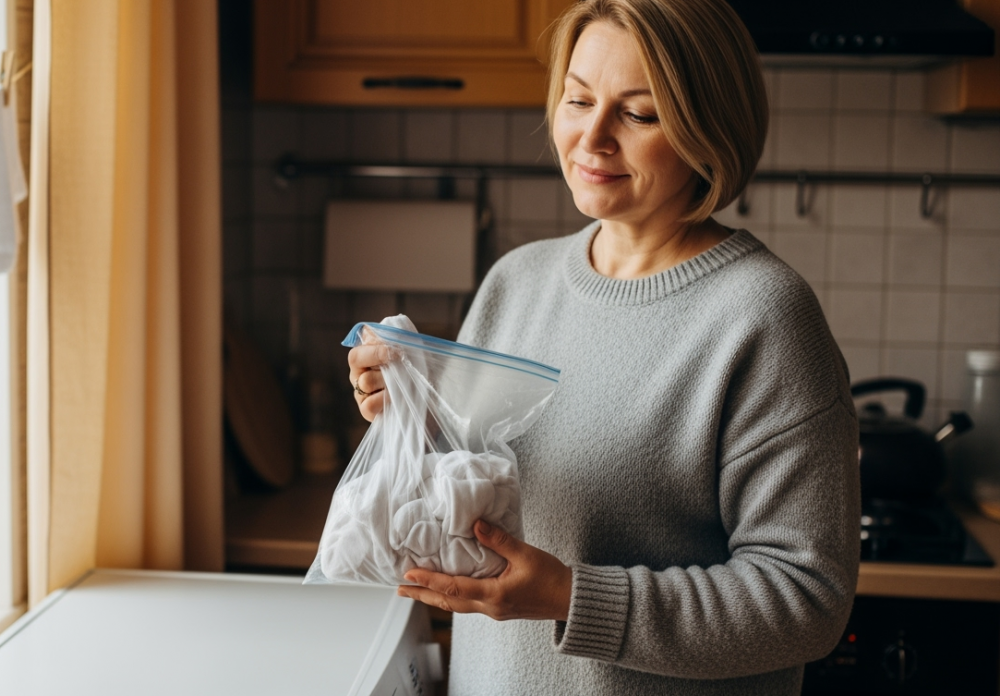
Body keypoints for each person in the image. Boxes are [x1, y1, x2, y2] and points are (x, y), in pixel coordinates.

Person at [346, 0, 860, 694]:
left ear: (709, 131)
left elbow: (805, 600)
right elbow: (466, 485)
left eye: (638, 114)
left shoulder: (763, 317)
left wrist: (572, 597)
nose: (592, 138)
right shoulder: (515, 281)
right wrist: (410, 409)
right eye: (578, 100)